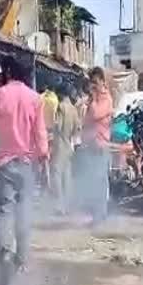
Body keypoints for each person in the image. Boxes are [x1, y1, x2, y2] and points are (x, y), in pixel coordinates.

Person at [0, 56, 48, 285]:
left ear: (8, 72)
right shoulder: (35, 98)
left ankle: (5, 253)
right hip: (27, 162)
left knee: (4, 211)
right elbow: (40, 134)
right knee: (24, 211)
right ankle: (22, 260)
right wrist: (43, 158)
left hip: (4, 163)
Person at [82, 67, 114, 226]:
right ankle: (96, 215)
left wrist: (93, 99)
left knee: (100, 182)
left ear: (102, 81)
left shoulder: (106, 99)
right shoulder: (92, 99)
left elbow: (95, 114)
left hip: (101, 146)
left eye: (95, 82)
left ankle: (100, 216)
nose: (93, 85)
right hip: (91, 144)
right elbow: (86, 120)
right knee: (92, 181)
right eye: (91, 82)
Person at [51, 84, 81, 215]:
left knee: (57, 176)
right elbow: (77, 129)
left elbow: (58, 125)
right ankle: (68, 206)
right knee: (67, 177)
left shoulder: (61, 107)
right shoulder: (74, 109)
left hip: (59, 146)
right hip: (69, 146)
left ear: (61, 94)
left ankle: (60, 205)